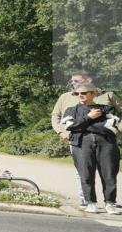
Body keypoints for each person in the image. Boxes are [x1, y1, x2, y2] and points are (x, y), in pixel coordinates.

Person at [51, 71, 121, 205]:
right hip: (77, 139)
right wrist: (61, 132)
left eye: (76, 81)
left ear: (88, 80)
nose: (73, 84)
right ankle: (86, 200)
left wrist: (117, 132)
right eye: (72, 81)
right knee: (83, 172)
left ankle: (110, 202)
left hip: (105, 140)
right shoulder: (66, 97)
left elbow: (119, 115)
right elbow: (56, 116)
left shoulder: (108, 95)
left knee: (108, 172)